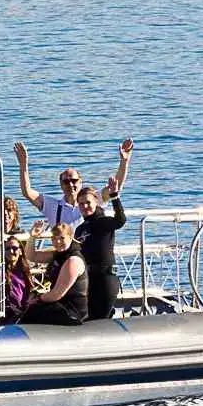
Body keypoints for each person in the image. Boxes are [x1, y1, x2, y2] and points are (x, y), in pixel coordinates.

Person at [14, 139, 134, 228]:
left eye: (74, 181)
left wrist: (124, 161)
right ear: (61, 185)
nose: (70, 185)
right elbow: (27, 192)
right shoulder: (53, 206)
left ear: (81, 182)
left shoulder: (93, 199)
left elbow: (115, 186)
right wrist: (23, 165)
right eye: (66, 182)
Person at [75, 178, 126, 320]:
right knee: (88, 319)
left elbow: (120, 220)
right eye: (81, 204)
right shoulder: (80, 229)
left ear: (96, 202)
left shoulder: (103, 221)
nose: (85, 206)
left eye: (88, 202)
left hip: (105, 279)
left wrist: (114, 196)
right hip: (88, 280)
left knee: (100, 319)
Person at [18, 222, 87, 325]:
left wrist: (37, 298)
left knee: (32, 311)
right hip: (60, 305)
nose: (58, 242)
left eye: (62, 238)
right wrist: (33, 237)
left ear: (71, 237)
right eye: (54, 238)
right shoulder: (57, 254)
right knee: (28, 308)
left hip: (72, 312)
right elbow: (31, 256)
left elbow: (56, 294)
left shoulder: (73, 261)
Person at [2, 235, 33, 322]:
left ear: (20, 251)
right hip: (8, 314)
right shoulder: (0, 271)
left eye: (14, 248)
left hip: (24, 312)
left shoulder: (25, 271)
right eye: (7, 249)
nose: (11, 251)